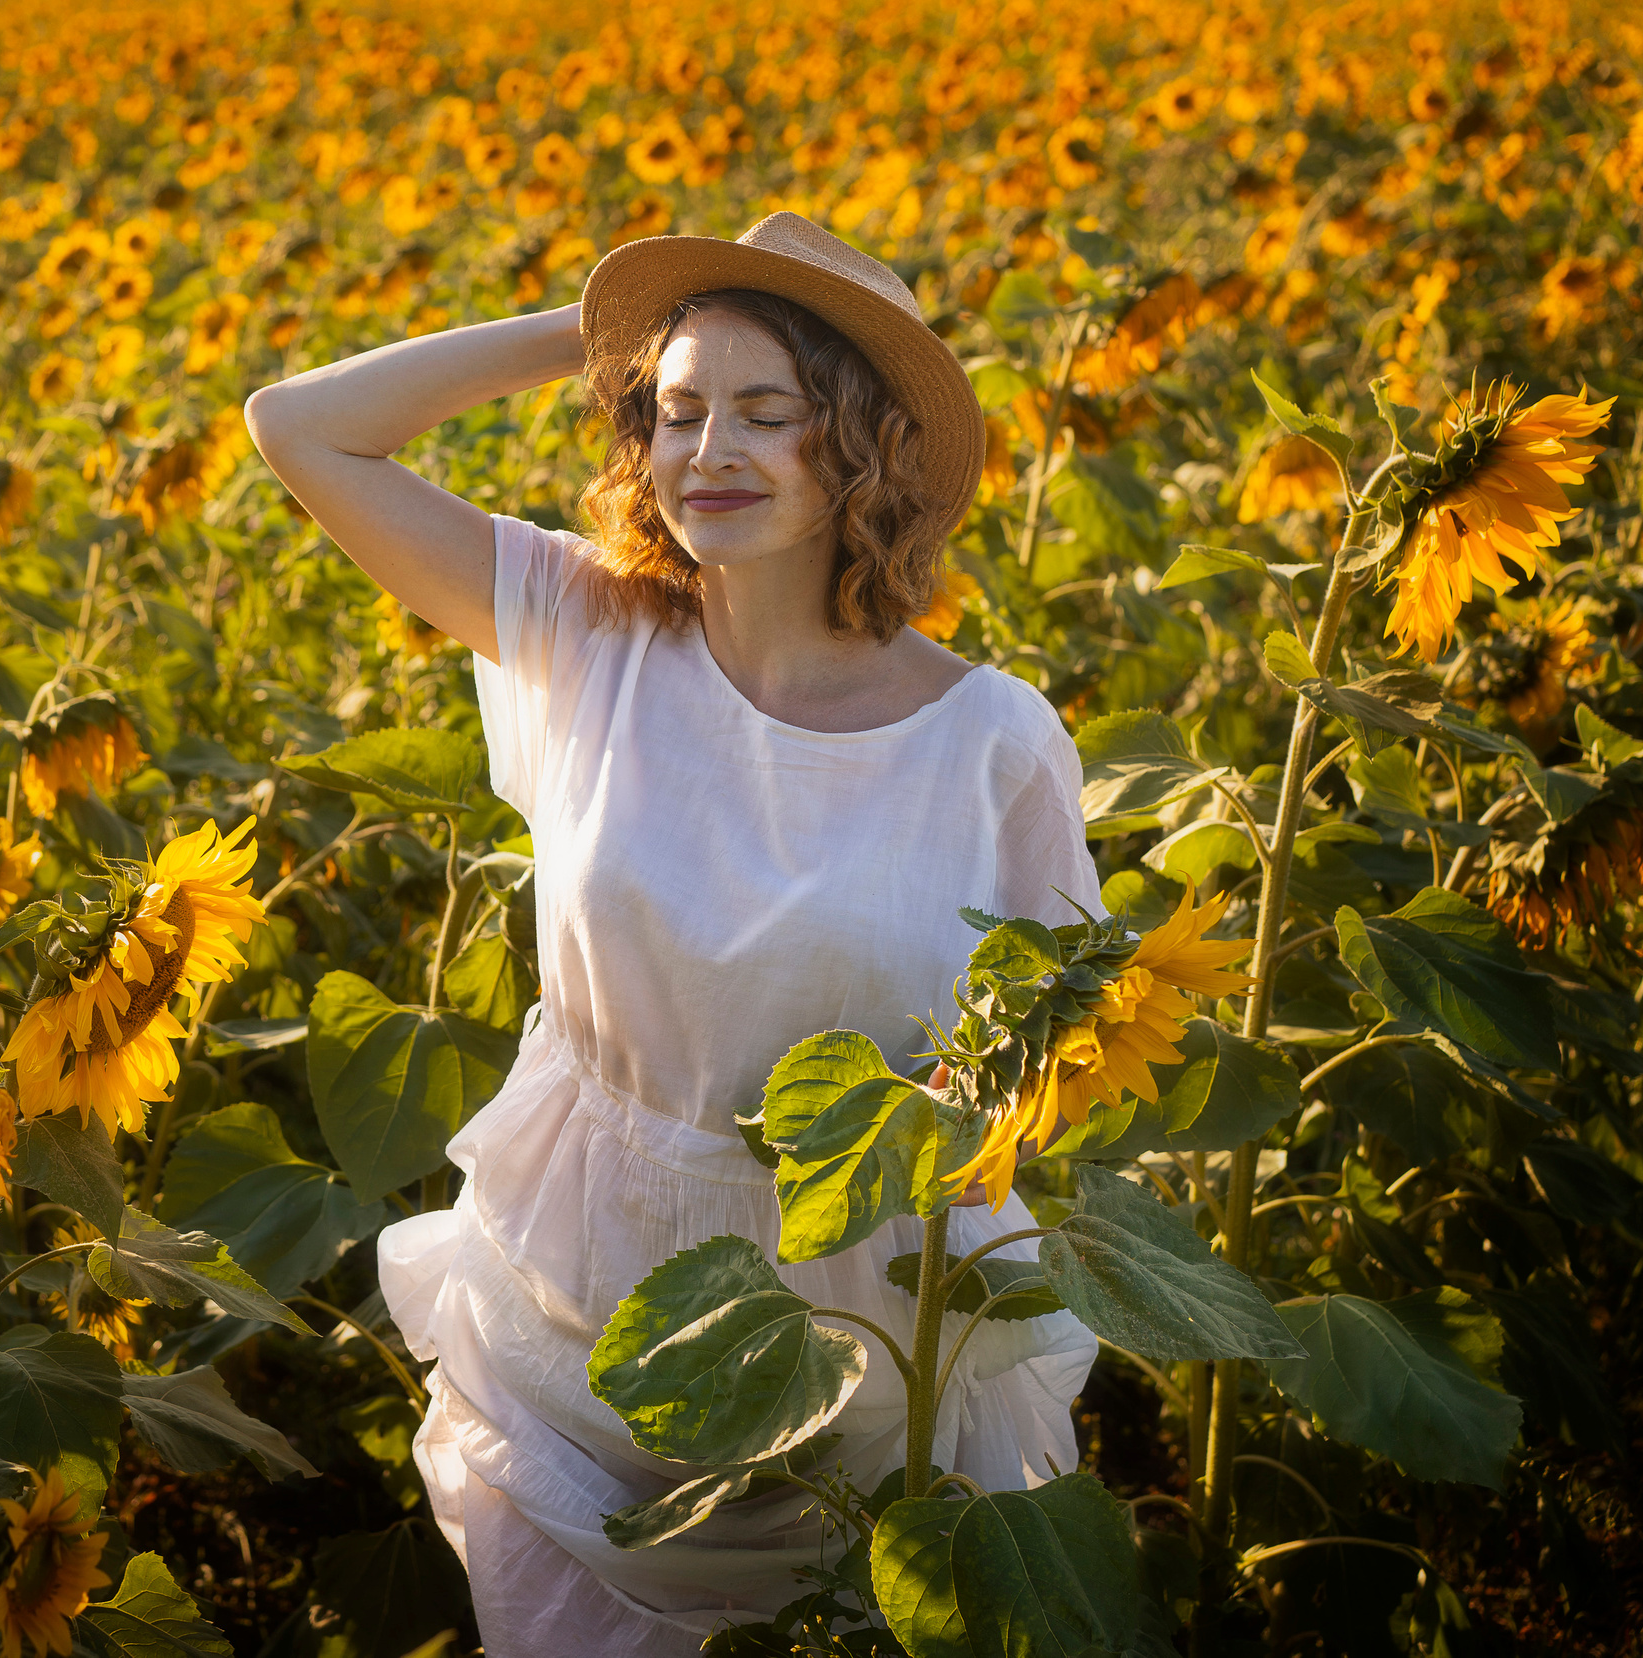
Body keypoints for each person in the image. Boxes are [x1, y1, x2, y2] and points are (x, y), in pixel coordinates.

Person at [242, 211, 1100, 1654]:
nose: (711, 451)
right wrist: (604, 330)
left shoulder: (992, 743)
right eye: (678, 411)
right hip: (580, 1303)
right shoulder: (588, 634)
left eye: (768, 412)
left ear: (860, 446)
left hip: (857, 1321)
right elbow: (301, 428)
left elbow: (1058, 1043)